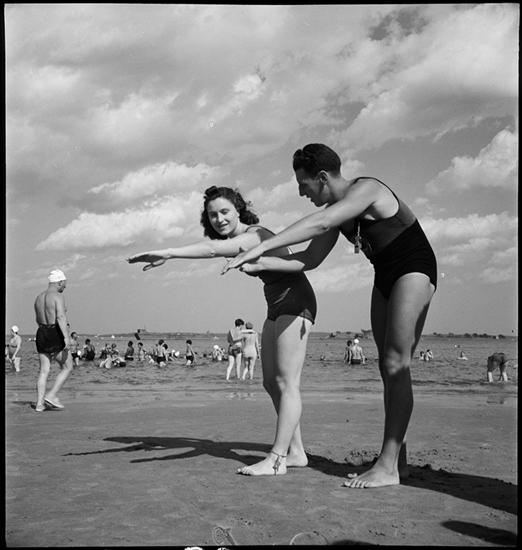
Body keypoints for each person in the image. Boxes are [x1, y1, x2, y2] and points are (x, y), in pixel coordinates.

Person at [225, 143, 437, 488]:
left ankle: (388, 467)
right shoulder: (339, 213)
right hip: (384, 275)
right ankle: (397, 458)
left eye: (303, 184)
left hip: (413, 269)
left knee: (397, 363)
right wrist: (261, 263)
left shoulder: (366, 189)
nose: (301, 192)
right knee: (386, 367)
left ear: (322, 177)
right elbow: (309, 259)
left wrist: (262, 245)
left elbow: (321, 223)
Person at [127, 185, 317, 476]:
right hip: (276, 305)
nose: (219, 219)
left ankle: (277, 459)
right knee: (270, 383)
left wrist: (168, 252)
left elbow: (212, 249)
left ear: (238, 209)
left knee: (287, 383)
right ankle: (297, 451)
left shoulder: (254, 235)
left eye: (224, 211)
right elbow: (217, 247)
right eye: (212, 215)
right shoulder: (243, 237)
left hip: (297, 303)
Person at [33, 269, 74, 412]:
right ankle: (51, 395)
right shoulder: (57, 296)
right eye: (64, 284)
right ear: (60, 282)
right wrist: (66, 337)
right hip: (55, 331)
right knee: (68, 366)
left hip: (41, 332)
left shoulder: (38, 298)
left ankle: (39, 404)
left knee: (44, 370)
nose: (65, 286)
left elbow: (38, 319)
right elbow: (61, 317)